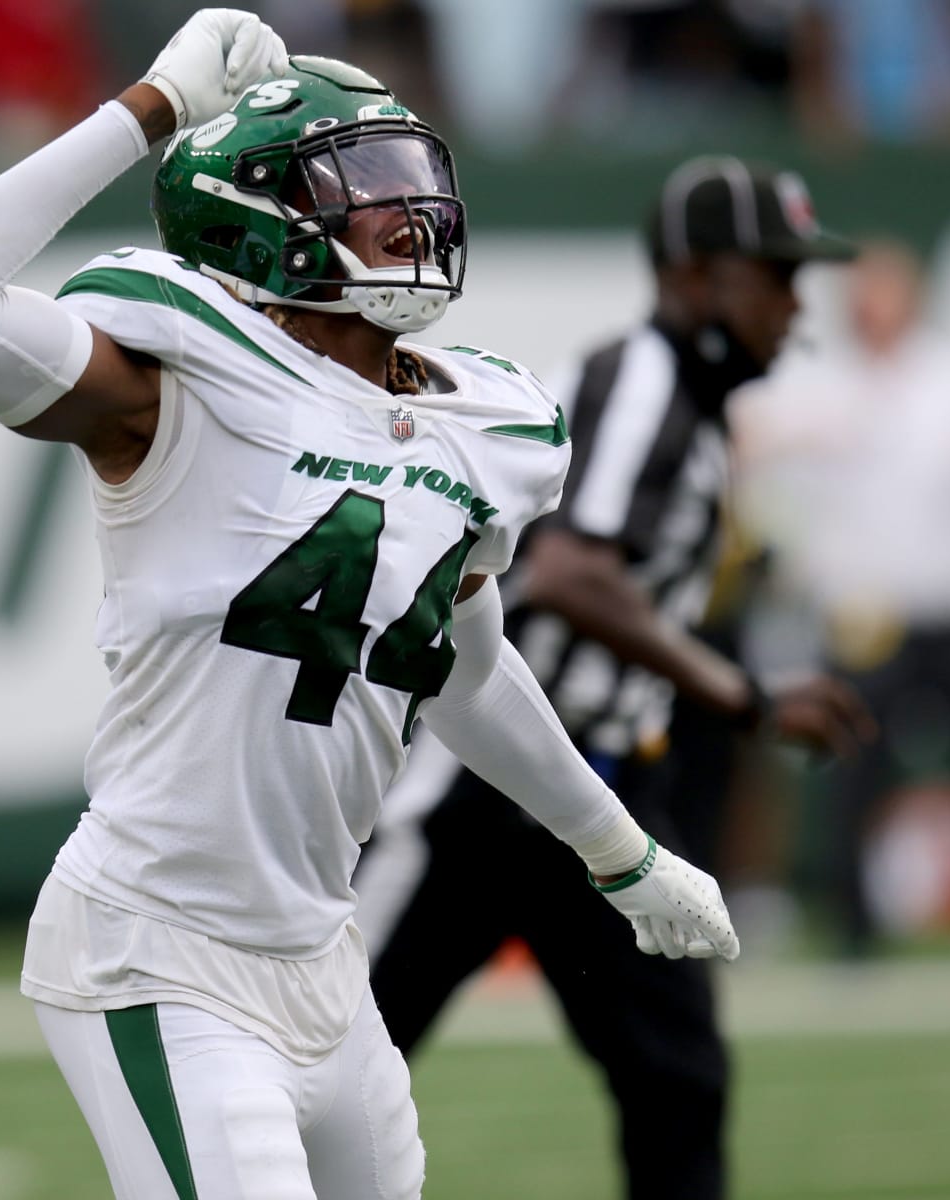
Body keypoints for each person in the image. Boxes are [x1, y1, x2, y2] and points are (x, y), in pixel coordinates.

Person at [0, 12, 740, 1200]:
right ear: (259, 216)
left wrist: (621, 853)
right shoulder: (173, 381)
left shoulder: (483, 422)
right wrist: (149, 109)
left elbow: (468, 668)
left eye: (411, 174)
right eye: (362, 181)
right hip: (159, 947)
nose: (411, 209)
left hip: (323, 961)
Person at [353, 155, 877, 1200]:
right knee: (330, 1056)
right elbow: (574, 574)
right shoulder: (639, 381)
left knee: (677, 1081)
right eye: (772, 273)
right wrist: (747, 695)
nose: (791, 303)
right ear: (699, 276)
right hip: (492, 791)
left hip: (608, 791)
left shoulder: (690, 400)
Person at [733, 237, 950, 955]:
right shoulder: (822, 385)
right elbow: (747, 439)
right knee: (855, 774)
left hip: (945, 609)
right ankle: (855, 933)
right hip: (866, 618)